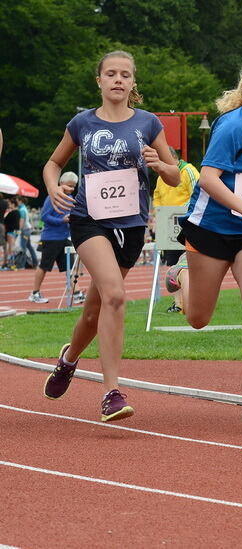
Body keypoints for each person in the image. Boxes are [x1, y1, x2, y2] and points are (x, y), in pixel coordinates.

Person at [41, 50, 179, 421]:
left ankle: (68, 359)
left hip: (131, 224)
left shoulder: (148, 123)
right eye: (111, 74)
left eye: (125, 75)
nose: (118, 80)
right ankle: (112, 393)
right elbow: (53, 163)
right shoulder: (82, 123)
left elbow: (174, 175)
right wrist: (53, 187)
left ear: (133, 83)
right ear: (99, 80)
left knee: (94, 310)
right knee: (115, 296)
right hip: (89, 220)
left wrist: (160, 164)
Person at [165, 58, 242, 422]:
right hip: (212, 228)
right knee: (198, 318)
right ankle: (182, 273)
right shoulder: (234, 124)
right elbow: (208, 178)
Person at [153, 147, 198, 312]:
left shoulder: (189, 171)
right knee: (172, 264)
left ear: (173, 158)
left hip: (186, 223)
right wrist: (159, 214)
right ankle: (178, 304)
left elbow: (198, 193)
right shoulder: (161, 177)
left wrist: (180, 211)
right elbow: (157, 197)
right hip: (168, 223)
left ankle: (192, 300)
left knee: (188, 262)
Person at [29, 172, 78, 303]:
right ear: (61, 183)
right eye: (69, 185)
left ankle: (76, 292)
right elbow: (44, 216)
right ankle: (35, 293)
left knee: (70, 267)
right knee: (44, 266)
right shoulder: (53, 196)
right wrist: (62, 220)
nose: (72, 189)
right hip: (51, 238)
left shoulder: (70, 198)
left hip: (65, 238)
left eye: (74, 186)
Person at [17, 196, 38, 269]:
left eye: (17, 200)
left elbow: (22, 220)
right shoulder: (24, 208)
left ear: (20, 201)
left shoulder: (22, 209)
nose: (16, 202)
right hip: (27, 229)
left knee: (23, 247)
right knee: (29, 246)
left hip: (25, 230)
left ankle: (21, 264)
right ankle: (35, 262)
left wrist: (19, 229)